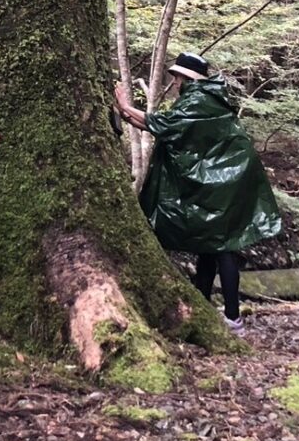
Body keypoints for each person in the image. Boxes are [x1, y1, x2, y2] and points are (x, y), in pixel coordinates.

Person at [114, 52, 281, 334]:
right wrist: (127, 112)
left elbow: (162, 125)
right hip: (226, 182)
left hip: (221, 184)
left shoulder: (198, 100)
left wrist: (125, 107)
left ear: (187, 77)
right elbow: (174, 133)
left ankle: (232, 318)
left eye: (177, 77)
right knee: (210, 249)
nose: (175, 83)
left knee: (223, 248)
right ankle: (204, 307)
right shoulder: (212, 97)